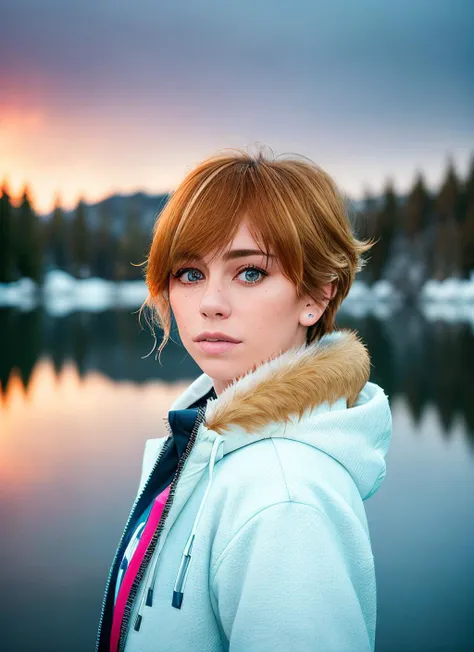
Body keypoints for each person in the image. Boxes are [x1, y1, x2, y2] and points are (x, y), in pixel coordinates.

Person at [95, 147, 392, 652]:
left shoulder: (285, 500)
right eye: (190, 273)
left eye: (250, 272)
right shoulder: (204, 440)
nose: (210, 303)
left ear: (316, 295)